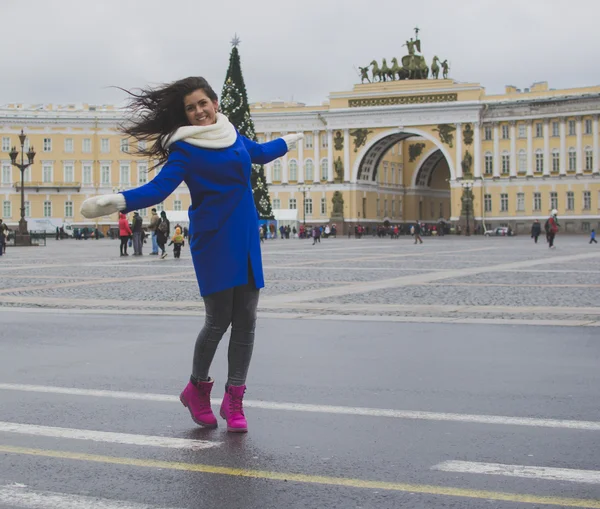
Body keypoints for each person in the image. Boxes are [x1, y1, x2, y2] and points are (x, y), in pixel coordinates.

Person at [80, 76, 302, 433]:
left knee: (246, 319)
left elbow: (257, 154)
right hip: (214, 238)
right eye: (191, 108)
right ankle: (197, 389)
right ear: (185, 115)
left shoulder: (232, 135)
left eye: (203, 103)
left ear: (215, 103)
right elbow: (159, 189)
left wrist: (285, 143)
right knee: (218, 321)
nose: (199, 111)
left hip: (244, 235)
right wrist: (118, 202)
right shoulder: (186, 149)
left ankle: (234, 400)